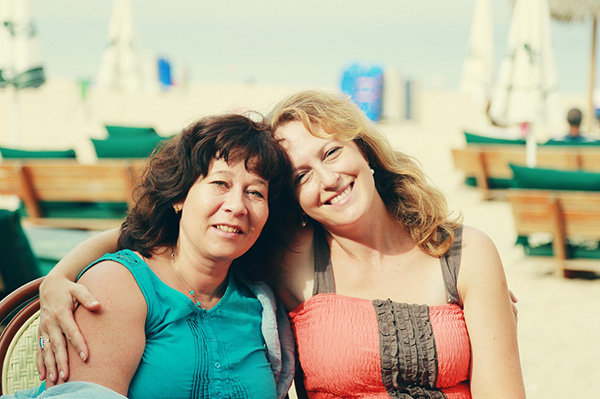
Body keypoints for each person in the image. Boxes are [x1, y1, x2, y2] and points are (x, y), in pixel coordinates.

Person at [37, 91, 524, 399]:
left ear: (367, 152)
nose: (328, 179)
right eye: (302, 175)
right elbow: (158, 236)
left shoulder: (463, 255)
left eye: (332, 152)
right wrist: (61, 275)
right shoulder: (295, 259)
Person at [17, 114, 295, 399]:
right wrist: (58, 275)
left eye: (255, 192)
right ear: (179, 196)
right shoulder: (117, 285)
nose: (237, 206)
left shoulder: (259, 301)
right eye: (220, 184)